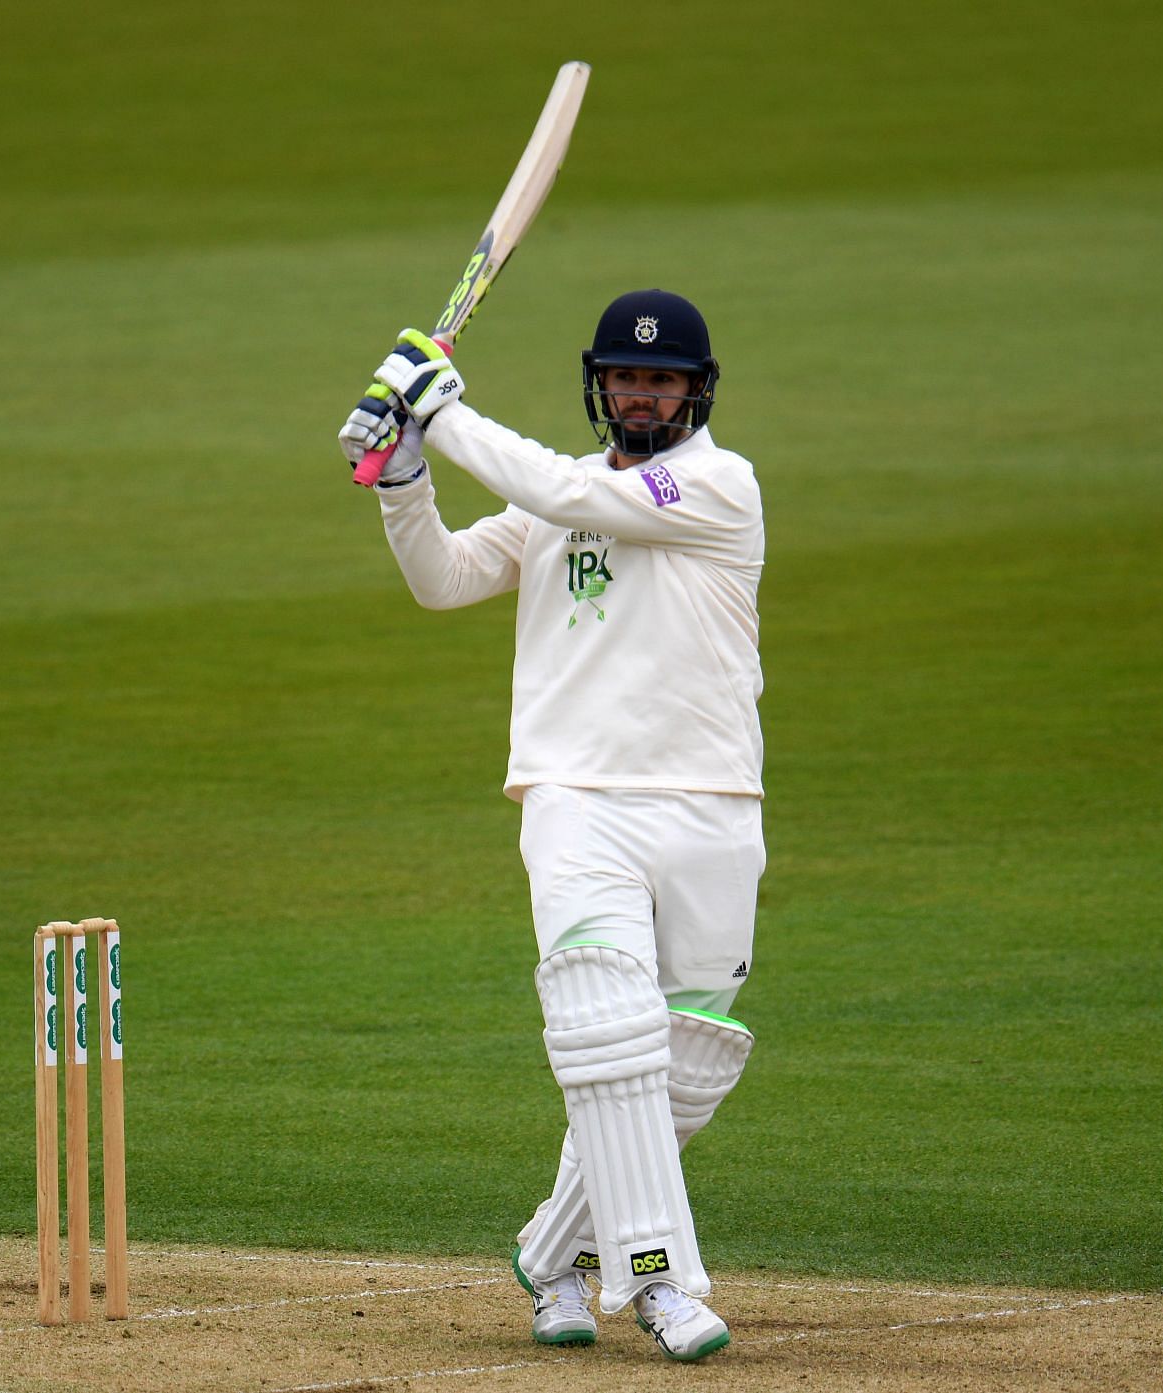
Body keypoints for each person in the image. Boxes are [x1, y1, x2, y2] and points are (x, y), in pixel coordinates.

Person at [337, 291, 765, 1362]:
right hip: (577, 799)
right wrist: (403, 473)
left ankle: (559, 1252)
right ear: (600, 384)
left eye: (661, 381)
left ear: (697, 391)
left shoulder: (718, 483)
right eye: (626, 377)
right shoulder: (553, 500)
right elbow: (442, 581)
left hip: (713, 801)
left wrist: (438, 410)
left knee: (691, 1064)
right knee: (603, 1029)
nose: (641, 394)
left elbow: (575, 489)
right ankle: (663, 1283)